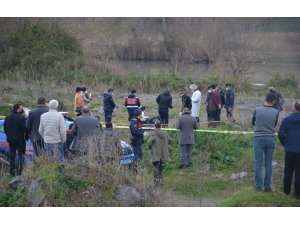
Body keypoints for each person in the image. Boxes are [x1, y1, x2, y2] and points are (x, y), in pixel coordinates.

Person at [252, 93, 279, 192]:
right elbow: (274, 124)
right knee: (268, 164)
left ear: (265, 99)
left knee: (258, 164)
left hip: (258, 138)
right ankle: (267, 187)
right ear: (274, 101)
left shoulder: (257, 109)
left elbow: (253, 122)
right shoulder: (276, 112)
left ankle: (258, 187)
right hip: (270, 138)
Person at [278, 101, 300, 198]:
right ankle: (297, 193)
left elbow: (281, 134)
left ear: (294, 108)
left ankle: (286, 191)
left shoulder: (287, 120)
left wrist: (285, 144)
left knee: (288, 171)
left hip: (290, 149)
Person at [4, 104, 28, 176]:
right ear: (17, 109)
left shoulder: (7, 117)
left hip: (10, 139)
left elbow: (5, 129)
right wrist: (26, 137)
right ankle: (20, 171)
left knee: (12, 155)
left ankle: (12, 171)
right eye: (21, 108)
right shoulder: (21, 117)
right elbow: (24, 129)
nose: (22, 110)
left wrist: (9, 135)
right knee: (21, 155)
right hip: (20, 140)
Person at [147, 121, 171, 187]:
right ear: (160, 126)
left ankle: (156, 181)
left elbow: (148, 143)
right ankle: (161, 180)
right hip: (162, 155)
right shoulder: (165, 134)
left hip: (155, 155)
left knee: (155, 168)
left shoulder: (154, 135)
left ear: (155, 127)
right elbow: (170, 140)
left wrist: (150, 148)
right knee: (160, 168)